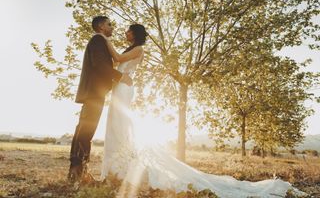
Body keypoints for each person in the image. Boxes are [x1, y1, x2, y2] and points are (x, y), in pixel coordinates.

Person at [100, 24, 305, 197]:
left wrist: (102, 38)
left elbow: (117, 59)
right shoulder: (131, 47)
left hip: (125, 88)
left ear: (135, 33)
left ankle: (124, 163)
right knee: (117, 123)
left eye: (128, 30)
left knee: (121, 123)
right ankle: (120, 164)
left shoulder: (138, 49)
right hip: (120, 87)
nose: (125, 32)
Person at [67, 16, 132, 183]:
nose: (112, 27)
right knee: (86, 131)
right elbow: (100, 65)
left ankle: (76, 172)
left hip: (93, 92)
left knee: (82, 130)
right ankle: (80, 172)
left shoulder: (99, 41)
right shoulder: (98, 40)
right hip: (94, 92)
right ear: (102, 26)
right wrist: (120, 76)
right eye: (110, 24)